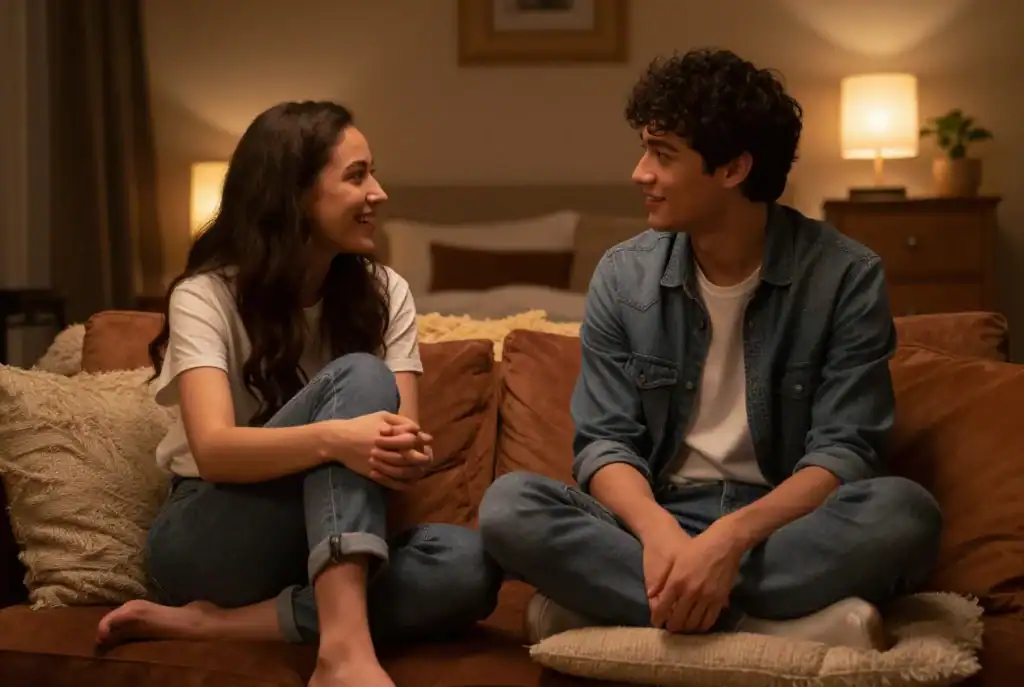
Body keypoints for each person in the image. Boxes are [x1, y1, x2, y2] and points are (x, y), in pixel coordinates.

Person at [478, 49, 942, 650]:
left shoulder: (845, 277)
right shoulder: (623, 277)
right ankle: (772, 625)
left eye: (663, 154)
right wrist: (665, 539)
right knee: (511, 507)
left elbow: (845, 452)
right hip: (658, 517)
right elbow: (605, 444)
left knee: (906, 515)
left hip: (782, 525)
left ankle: (624, 610)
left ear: (732, 169)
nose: (639, 173)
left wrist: (727, 543)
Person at [95, 101, 501, 687]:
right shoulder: (205, 296)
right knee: (360, 376)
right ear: (294, 194)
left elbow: (408, 452)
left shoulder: (386, 292)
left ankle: (215, 627)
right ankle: (344, 652)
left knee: (470, 568)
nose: (379, 193)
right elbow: (213, 451)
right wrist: (338, 438)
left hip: (330, 546)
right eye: (357, 176)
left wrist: (397, 451)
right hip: (214, 533)